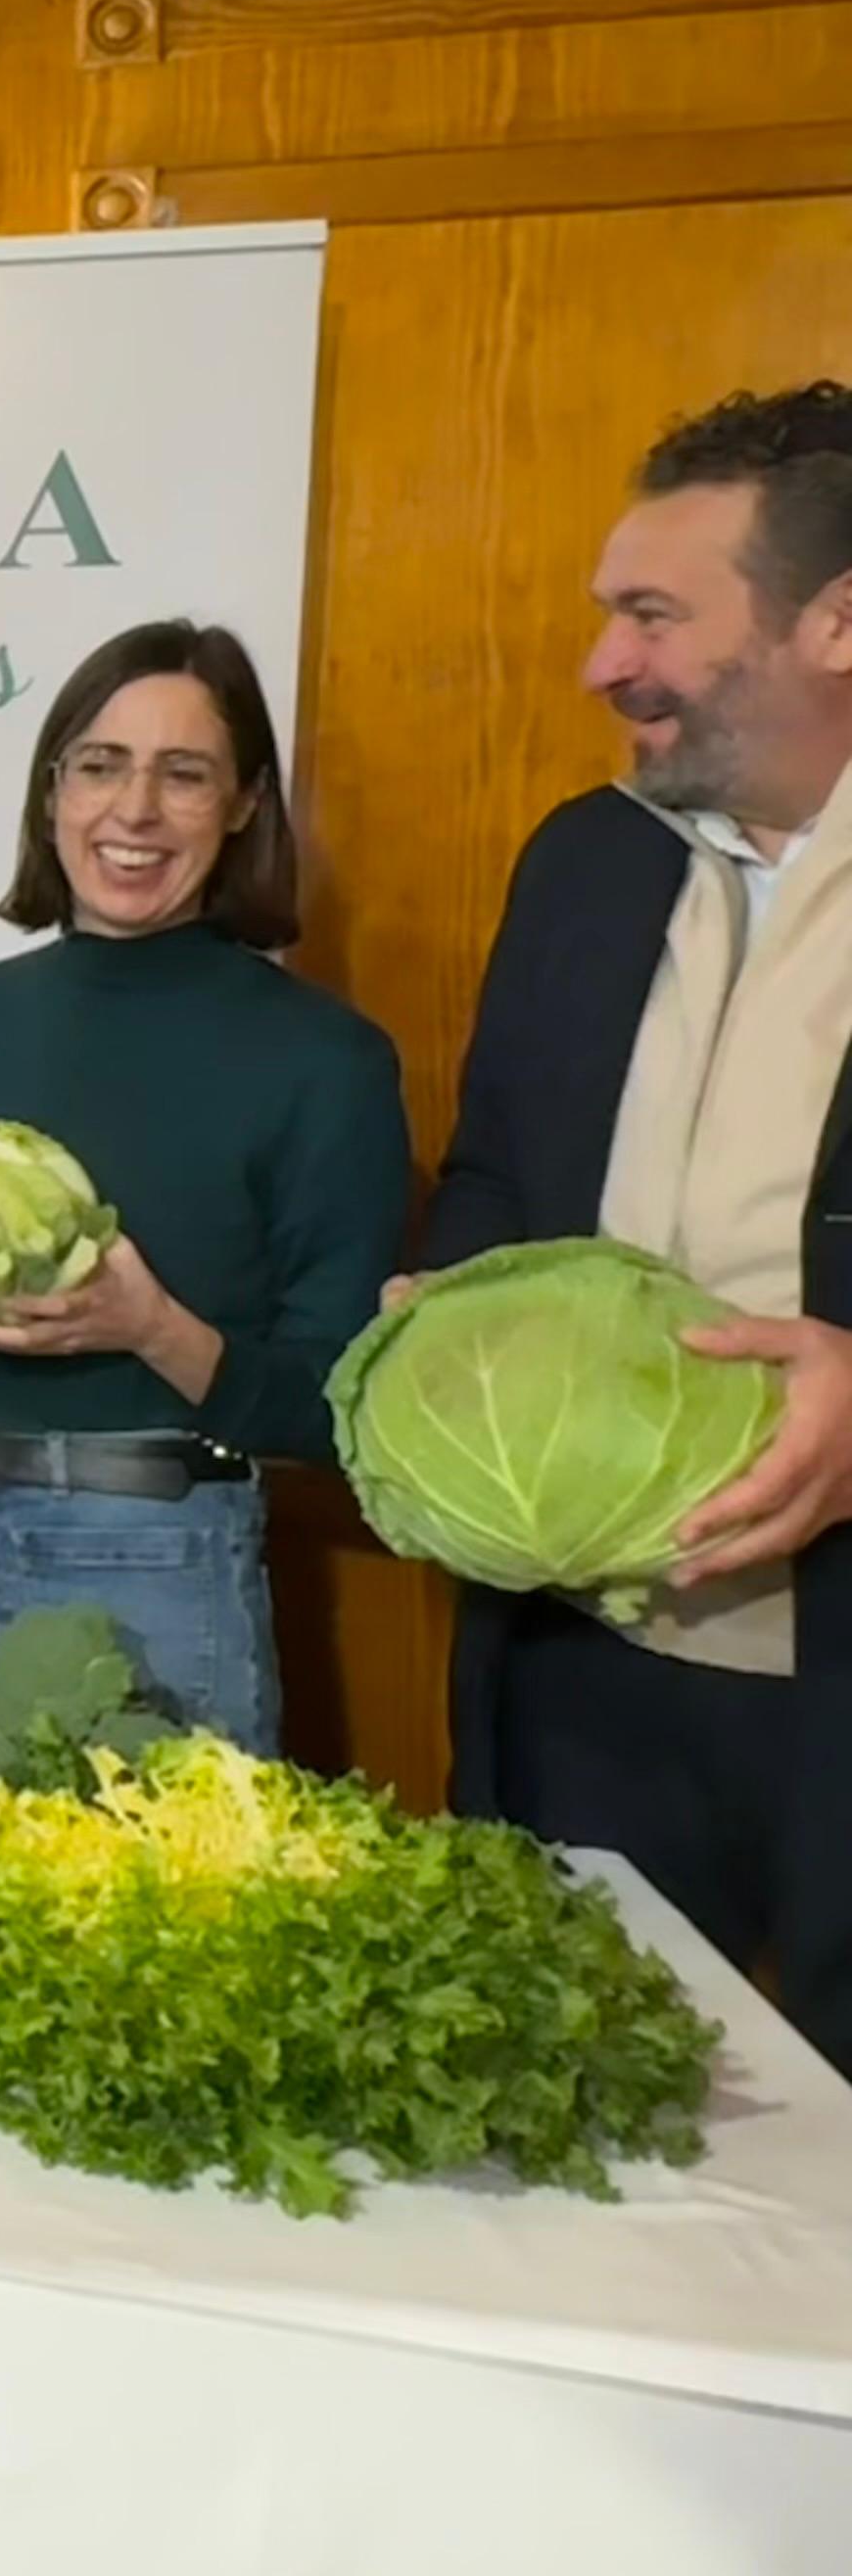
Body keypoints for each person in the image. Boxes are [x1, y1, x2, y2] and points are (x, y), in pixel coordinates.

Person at [421, 383, 852, 2071]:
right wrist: (448, 1311)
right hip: (577, 1663)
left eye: (652, 614)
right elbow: (491, 1178)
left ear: (833, 620)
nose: (604, 660)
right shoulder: (584, 865)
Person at [0, 622, 408, 1754]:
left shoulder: (325, 1061)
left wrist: (154, 1331)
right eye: (100, 765)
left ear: (244, 804)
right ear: (54, 791)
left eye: (183, 775)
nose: (133, 811)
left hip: (140, 1553)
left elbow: (345, 1403)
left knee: (155, 1920)